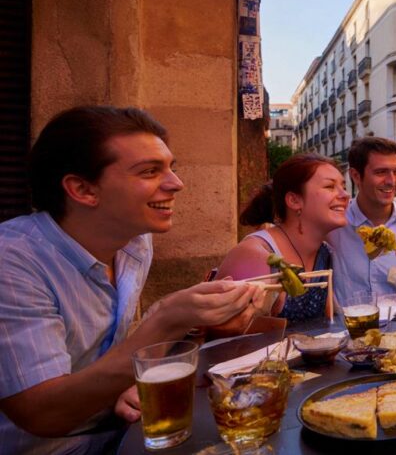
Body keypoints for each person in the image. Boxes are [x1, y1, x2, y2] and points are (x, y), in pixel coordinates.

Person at [0, 106, 260, 454]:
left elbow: (102, 356)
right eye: (150, 171)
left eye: (172, 168)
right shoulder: (13, 260)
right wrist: (168, 320)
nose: (176, 184)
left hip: (121, 434)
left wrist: (123, 385)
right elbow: (42, 414)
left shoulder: (135, 241)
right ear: (82, 189)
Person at [218, 153, 350, 322]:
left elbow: (326, 325)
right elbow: (227, 334)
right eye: (330, 187)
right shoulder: (255, 255)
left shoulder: (324, 254)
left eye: (343, 186)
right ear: (294, 200)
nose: (345, 195)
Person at [329, 137, 396, 304]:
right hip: (348, 326)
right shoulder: (335, 223)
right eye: (381, 172)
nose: (391, 181)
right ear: (356, 176)